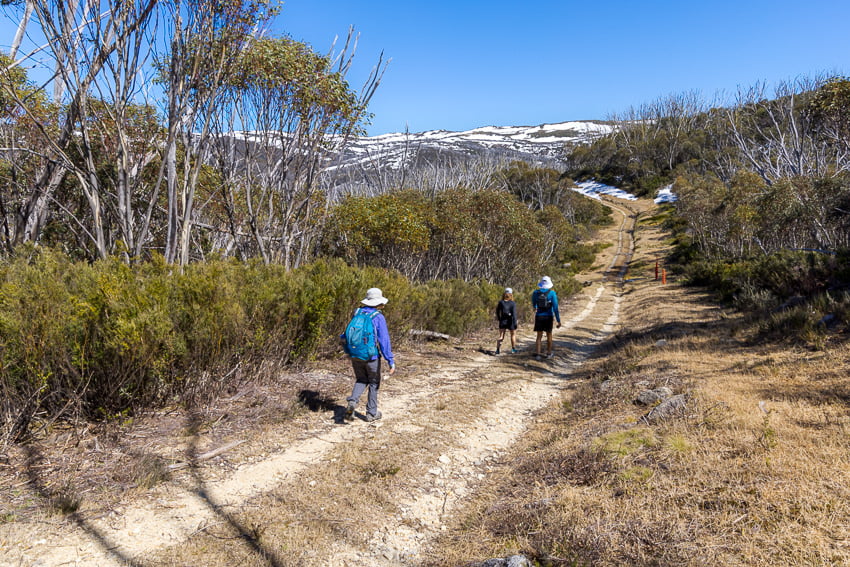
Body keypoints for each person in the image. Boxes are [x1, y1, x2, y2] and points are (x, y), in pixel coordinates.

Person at [343, 288, 396, 422]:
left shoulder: (357, 312)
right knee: (373, 382)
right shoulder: (378, 317)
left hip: (355, 354)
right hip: (370, 356)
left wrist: (348, 350)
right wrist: (390, 359)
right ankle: (371, 413)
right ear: (379, 302)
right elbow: (384, 340)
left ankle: (352, 403)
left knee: (361, 379)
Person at [531, 276, 561, 359]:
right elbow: (555, 308)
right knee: (549, 335)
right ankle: (549, 353)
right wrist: (558, 320)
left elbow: (534, 304)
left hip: (539, 316)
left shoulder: (535, 293)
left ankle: (538, 354)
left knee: (539, 336)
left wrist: (536, 308)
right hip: (548, 316)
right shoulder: (552, 293)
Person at [495, 287, 518, 354]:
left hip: (503, 321)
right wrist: (515, 322)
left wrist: (499, 318)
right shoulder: (513, 303)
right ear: (511, 294)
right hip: (510, 321)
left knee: (501, 336)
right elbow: (514, 314)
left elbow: (497, 311)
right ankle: (513, 349)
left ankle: (497, 350)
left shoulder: (501, 302)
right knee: (513, 335)